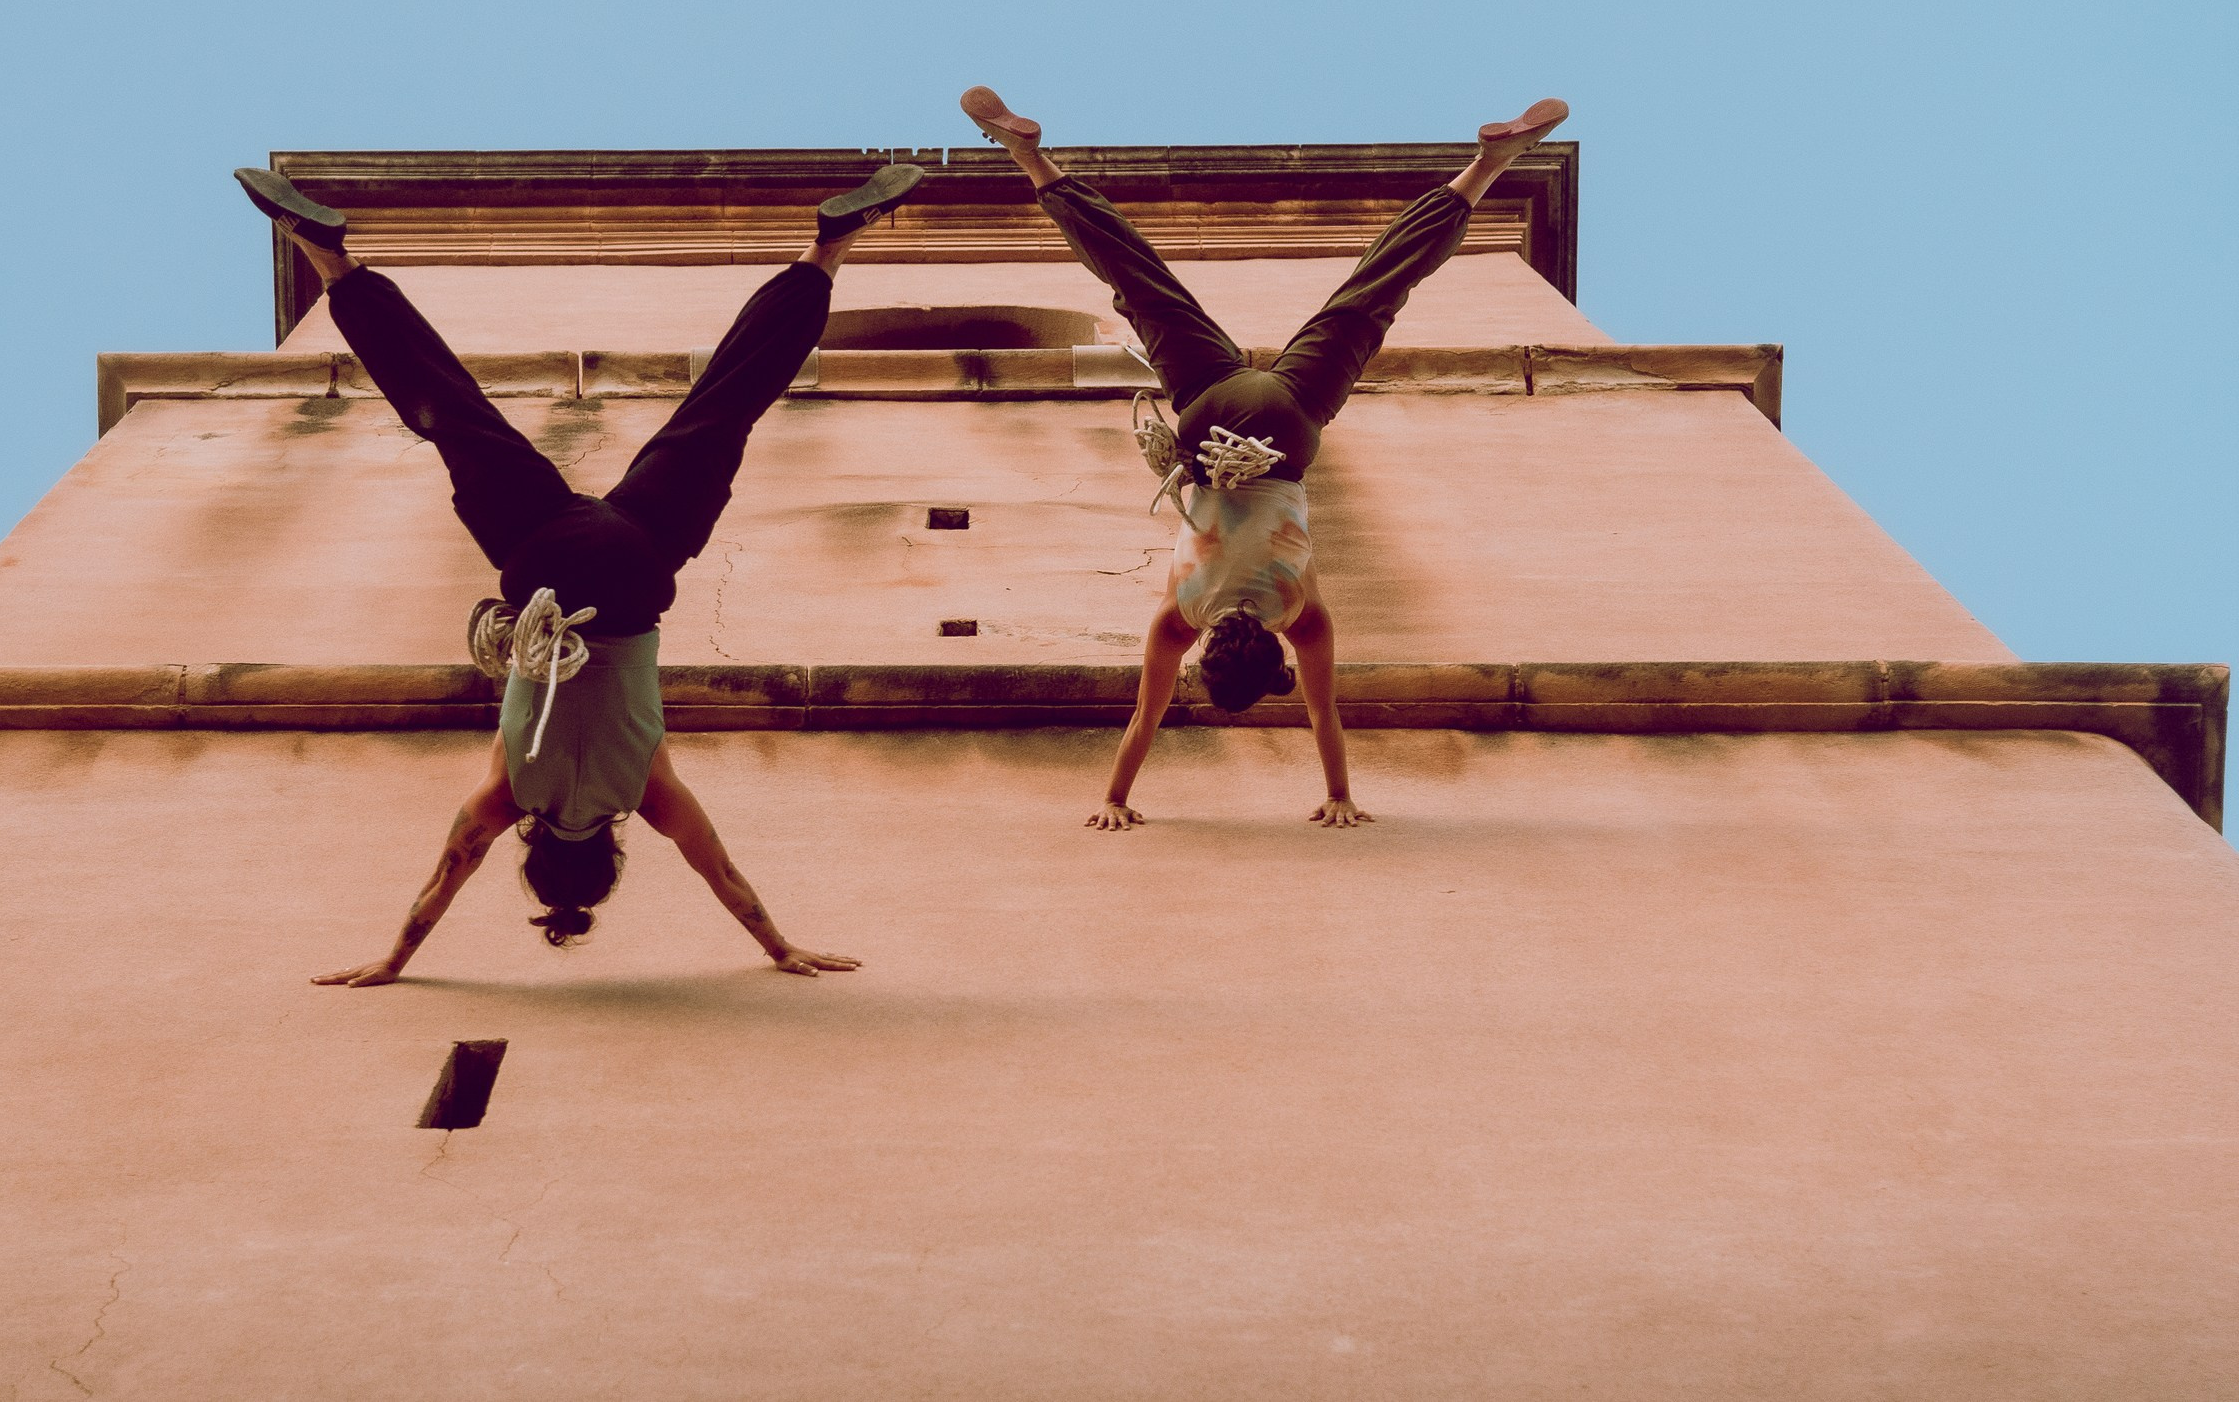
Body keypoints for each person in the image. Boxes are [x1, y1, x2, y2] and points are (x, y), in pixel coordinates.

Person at [235, 160, 928, 984]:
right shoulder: (506, 794)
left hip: (636, 564)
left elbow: (726, 878)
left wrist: (780, 946)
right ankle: (335, 265)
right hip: (541, 562)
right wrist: (392, 957)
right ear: (529, 853)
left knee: (724, 407)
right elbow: (443, 879)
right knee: (453, 415)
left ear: (614, 853)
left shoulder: (648, 792)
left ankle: (828, 250)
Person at [957, 85, 1567, 832]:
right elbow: (1141, 724)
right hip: (1204, 417)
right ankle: (1031, 158)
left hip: (1285, 428)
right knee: (1139, 279)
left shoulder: (1300, 618)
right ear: (1207, 654)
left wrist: (1341, 793)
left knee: (1374, 291)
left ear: (1270, 660)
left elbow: (1324, 714)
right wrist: (1112, 800)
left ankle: (1485, 167)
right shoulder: (1177, 623)